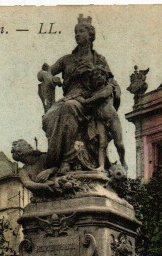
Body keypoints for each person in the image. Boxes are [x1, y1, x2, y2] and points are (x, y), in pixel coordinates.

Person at [41, 14, 121, 174]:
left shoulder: (98, 59)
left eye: (81, 31)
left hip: (89, 101)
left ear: (90, 35)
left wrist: (110, 92)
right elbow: (44, 72)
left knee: (69, 109)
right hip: (69, 97)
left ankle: (67, 161)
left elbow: (112, 82)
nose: (77, 34)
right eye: (76, 32)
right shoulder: (66, 60)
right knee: (49, 116)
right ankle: (55, 159)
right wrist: (50, 77)